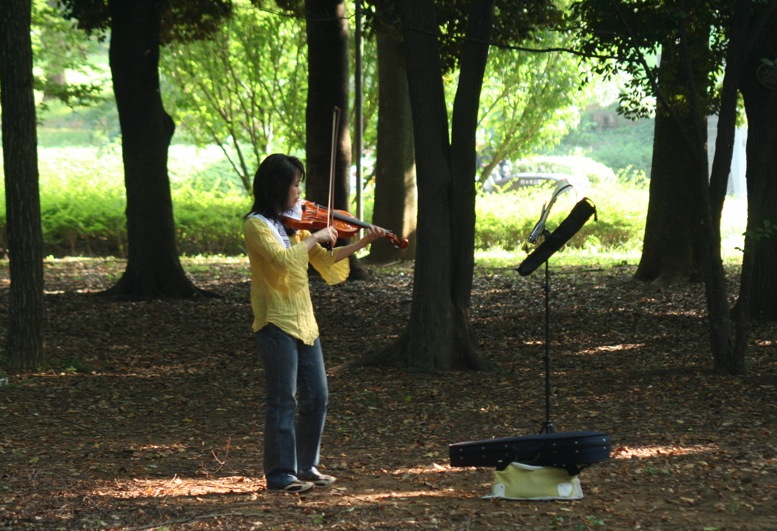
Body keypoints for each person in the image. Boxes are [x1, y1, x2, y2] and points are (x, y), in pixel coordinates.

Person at [244, 153, 386, 493]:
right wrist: (314, 237)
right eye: (295, 185)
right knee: (283, 400)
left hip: (305, 321)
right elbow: (281, 262)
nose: (299, 192)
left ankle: (305, 467)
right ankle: (280, 474)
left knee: (317, 397)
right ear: (277, 186)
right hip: (275, 319)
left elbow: (325, 260)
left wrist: (363, 241)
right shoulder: (257, 225)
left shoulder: (294, 227)